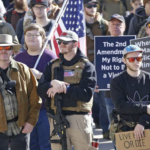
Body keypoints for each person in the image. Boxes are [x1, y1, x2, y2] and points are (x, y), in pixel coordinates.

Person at [37, 30, 97, 150]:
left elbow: (86, 94)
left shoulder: (87, 66)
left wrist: (64, 88)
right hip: (55, 119)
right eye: (59, 42)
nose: (61, 44)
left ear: (75, 44)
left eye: (65, 42)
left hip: (78, 118)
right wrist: (51, 83)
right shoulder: (52, 65)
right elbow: (40, 91)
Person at [15, 23, 57, 150]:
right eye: (29, 35)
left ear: (43, 38)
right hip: (26, 110)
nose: (32, 38)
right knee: (31, 145)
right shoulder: (18, 58)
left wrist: (40, 75)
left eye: (35, 35)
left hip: (46, 109)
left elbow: (58, 81)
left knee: (46, 145)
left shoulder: (50, 57)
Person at [0, 34, 41, 150]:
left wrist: (31, 122)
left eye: (7, 48)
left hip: (20, 129)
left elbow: (35, 98)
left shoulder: (23, 70)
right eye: (0, 48)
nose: (3, 51)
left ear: (12, 50)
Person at [110, 45, 150, 143]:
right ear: (124, 60)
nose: (136, 62)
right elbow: (121, 106)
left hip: (147, 126)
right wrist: (145, 108)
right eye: (132, 59)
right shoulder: (117, 81)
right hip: (124, 129)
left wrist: (142, 123)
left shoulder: (148, 78)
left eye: (139, 58)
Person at [84, 0, 110, 138]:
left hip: (100, 62)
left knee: (104, 98)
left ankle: (106, 130)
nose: (93, 8)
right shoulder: (77, 23)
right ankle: (89, 128)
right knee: (87, 97)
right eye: (89, 5)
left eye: (95, 5)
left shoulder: (103, 24)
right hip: (83, 63)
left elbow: (110, 43)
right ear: (83, 7)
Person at [105, 14, 126, 124]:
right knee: (114, 127)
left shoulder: (131, 44)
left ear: (124, 27)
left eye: (118, 24)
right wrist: (97, 81)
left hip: (130, 94)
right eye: (112, 24)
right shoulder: (102, 45)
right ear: (108, 27)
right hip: (110, 94)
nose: (115, 26)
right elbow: (99, 67)